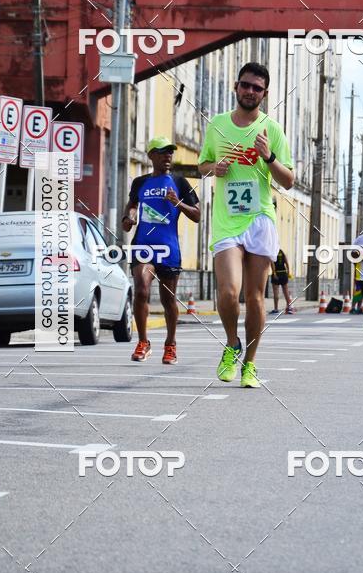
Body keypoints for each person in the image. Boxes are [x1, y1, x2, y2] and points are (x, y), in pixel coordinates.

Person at [198, 62, 294, 388]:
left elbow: (289, 181)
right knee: (228, 292)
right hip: (227, 221)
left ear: (264, 94)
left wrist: (269, 157)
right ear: (236, 87)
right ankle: (232, 343)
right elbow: (202, 165)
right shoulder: (218, 125)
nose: (250, 91)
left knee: (254, 298)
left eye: (257, 88)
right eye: (245, 85)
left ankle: (250, 364)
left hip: (260, 220)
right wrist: (214, 168)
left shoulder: (272, 130)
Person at [122, 136, 200, 364]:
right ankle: (143, 342)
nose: (168, 155)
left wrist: (178, 203)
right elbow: (132, 205)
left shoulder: (179, 182)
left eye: (170, 152)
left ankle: (170, 344)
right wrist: (129, 217)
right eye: (163, 151)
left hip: (168, 248)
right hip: (143, 246)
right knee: (141, 290)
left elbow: (197, 215)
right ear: (151, 155)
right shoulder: (140, 182)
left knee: (168, 300)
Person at [270, 248, 294, 314]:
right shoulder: (282, 252)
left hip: (276, 273)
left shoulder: (272, 252)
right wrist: (288, 272)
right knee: (286, 292)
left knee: (276, 292)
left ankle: (276, 309)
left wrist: (274, 273)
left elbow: (272, 264)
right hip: (283, 273)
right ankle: (289, 308)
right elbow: (286, 263)